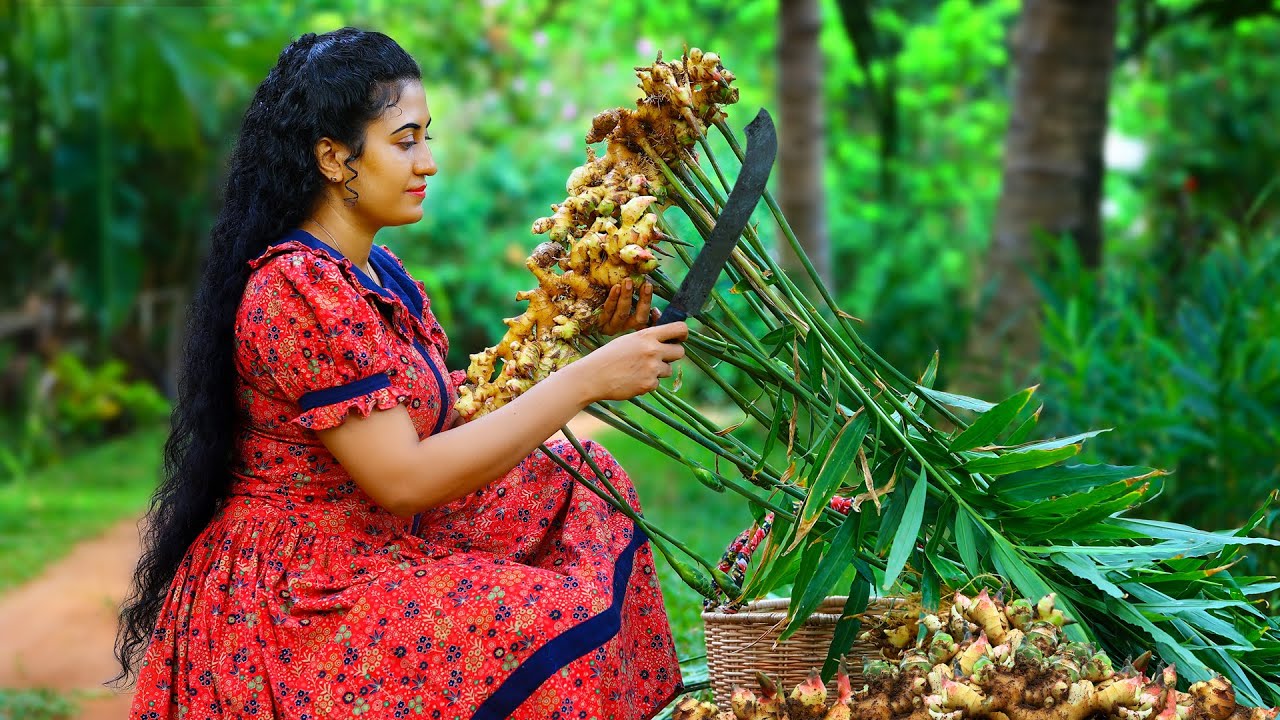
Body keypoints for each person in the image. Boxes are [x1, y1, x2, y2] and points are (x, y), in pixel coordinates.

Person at [115, 28, 689, 720]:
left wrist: (591, 340)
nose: (429, 163)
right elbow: (403, 479)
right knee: (547, 615)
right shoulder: (298, 287)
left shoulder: (377, 275)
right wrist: (584, 381)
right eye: (406, 140)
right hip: (302, 590)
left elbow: (442, 425)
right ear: (333, 158)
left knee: (580, 480)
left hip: (375, 539)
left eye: (427, 137)